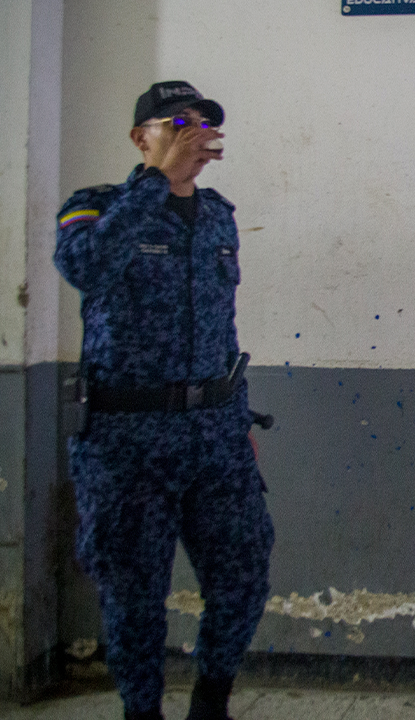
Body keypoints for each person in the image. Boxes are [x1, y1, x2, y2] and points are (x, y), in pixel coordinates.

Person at [53, 81, 274, 720]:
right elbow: (87, 269)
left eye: (203, 124)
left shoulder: (220, 216)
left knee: (244, 577)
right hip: (125, 442)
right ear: (139, 137)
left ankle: (211, 704)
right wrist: (156, 181)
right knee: (134, 597)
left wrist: (237, 422)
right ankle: (141, 713)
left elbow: (220, 330)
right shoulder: (93, 207)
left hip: (215, 437)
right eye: (178, 122)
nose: (194, 134)